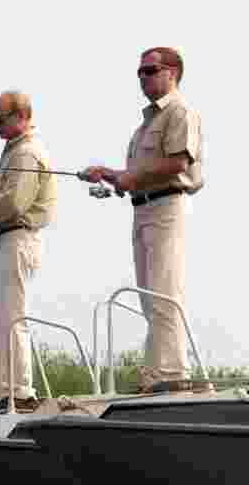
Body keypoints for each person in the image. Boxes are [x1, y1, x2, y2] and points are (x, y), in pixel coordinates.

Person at [79, 47, 203, 392]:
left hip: (167, 208)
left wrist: (130, 178)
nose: (143, 77)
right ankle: (156, 375)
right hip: (142, 209)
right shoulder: (145, 124)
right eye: (140, 72)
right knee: (149, 298)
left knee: (165, 293)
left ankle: (174, 376)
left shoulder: (180, 112)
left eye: (150, 70)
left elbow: (178, 163)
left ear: (172, 73)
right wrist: (110, 175)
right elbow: (136, 175)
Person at [0, 91, 57, 411]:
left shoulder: (26, 154)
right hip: (6, 239)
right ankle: (6, 392)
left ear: (21, 116)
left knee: (14, 316)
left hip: (19, 239)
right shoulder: (12, 152)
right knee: (4, 316)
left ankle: (20, 391)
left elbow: (14, 203)